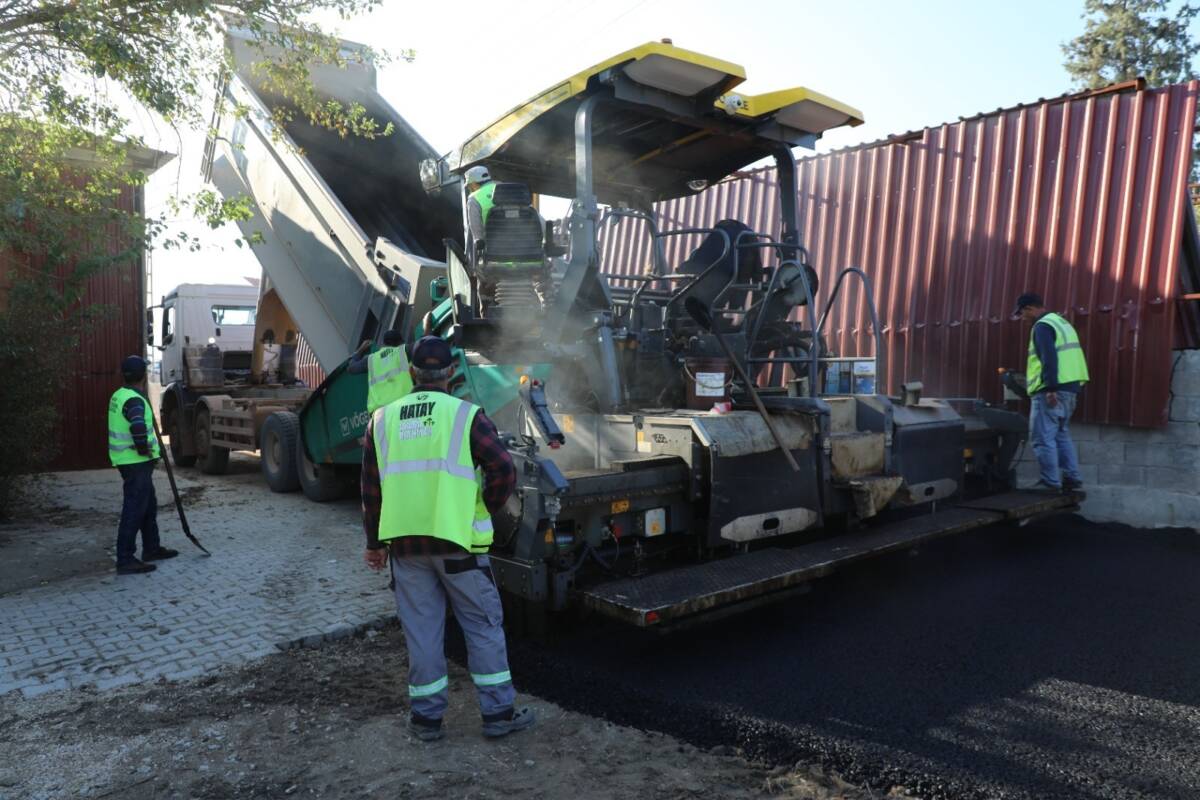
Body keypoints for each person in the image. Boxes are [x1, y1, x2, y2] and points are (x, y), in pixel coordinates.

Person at [360, 335, 533, 741]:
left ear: (411, 372)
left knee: (422, 633)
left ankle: (426, 721)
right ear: (451, 372)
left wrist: (374, 544)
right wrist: (482, 506)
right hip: (459, 548)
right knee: (482, 627)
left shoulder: (381, 421)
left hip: (406, 549)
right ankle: (498, 715)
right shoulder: (466, 416)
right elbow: (504, 469)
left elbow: (371, 490)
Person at [107, 355, 178, 574]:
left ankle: (152, 548)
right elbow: (137, 427)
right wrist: (145, 450)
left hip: (131, 462)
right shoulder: (134, 400)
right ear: (143, 376)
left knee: (148, 505)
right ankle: (125, 559)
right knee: (134, 509)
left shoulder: (120, 395)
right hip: (135, 462)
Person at [1013, 293, 1090, 493]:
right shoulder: (1061, 323)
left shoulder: (1042, 326)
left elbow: (1049, 358)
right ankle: (1072, 478)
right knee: (1061, 435)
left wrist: (1050, 388)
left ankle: (1050, 482)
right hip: (1070, 388)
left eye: (1022, 313)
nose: (1022, 318)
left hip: (1051, 391)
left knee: (1042, 438)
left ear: (1029, 308)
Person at [347, 330, 413, 412]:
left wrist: (360, 350)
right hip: (403, 405)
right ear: (400, 343)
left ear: (384, 343)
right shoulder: (403, 351)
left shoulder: (371, 359)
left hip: (379, 411)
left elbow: (351, 368)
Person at [464, 164, 496, 259]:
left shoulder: (474, 199)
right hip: (525, 254)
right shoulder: (505, 188)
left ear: (474, 184)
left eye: (469, 186)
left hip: (494, 256)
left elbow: (477, 232)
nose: (470, 189)